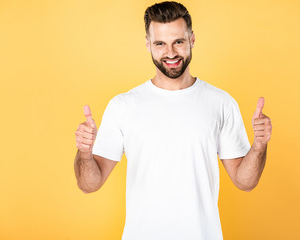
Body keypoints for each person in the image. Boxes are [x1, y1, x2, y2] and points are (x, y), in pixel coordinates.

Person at [74, 1, 272, 239]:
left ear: (192, 39)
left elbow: (245, 181)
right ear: (148, 44)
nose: (170, 53)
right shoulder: (123, 106)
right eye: (160, 44)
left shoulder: (221, 103)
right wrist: (84, 153)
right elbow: (89, 184)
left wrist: (259, 145)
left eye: (178, 41)